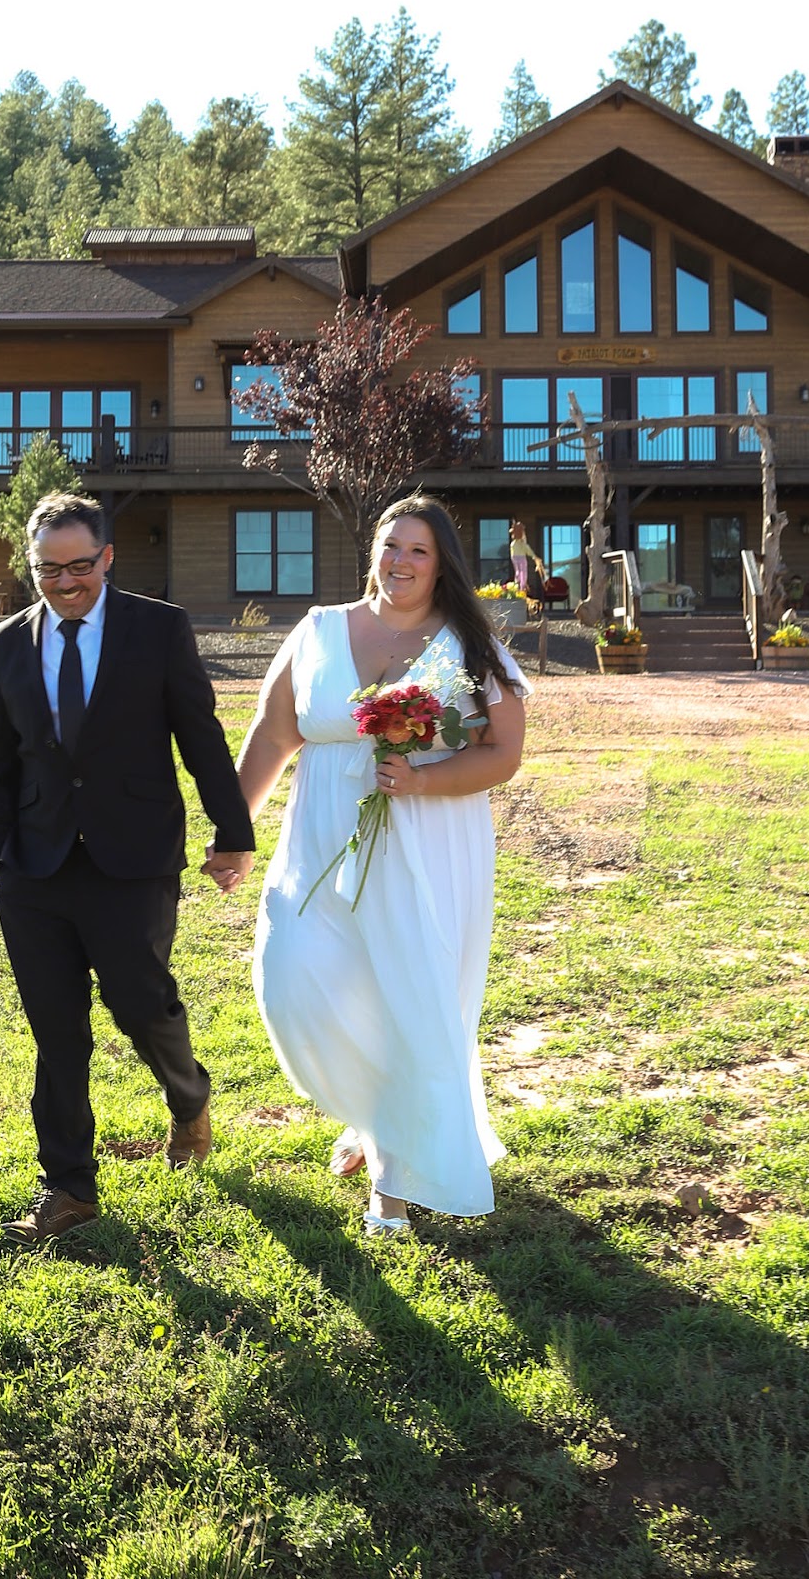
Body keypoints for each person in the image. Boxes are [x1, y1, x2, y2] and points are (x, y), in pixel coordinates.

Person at [228, 495, 528, 1236]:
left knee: (404, 998)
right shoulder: (320, 630)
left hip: (427, 841)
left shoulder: (468, 645)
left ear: (442, 564)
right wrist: (234, 831)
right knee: (293, 975)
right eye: (391, 545)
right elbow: (273, 734)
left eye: (418, 550)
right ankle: (370, 1112)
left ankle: (390, 1180)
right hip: (321, 840)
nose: (401, 561)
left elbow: (503, 753)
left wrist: (424, 779)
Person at [0, 490, 256, 1243]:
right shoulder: (4, 644)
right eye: (48, 570)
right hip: (35, 867)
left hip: (133, 858)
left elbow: (199, 734)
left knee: (140, 1003)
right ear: (30, 566)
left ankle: (188, 1097)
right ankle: (68, 1188)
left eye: (79, 567)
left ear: (106, 557)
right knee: (56, 1030)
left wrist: (232, 832)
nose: (65, 583)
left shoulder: (157, 629)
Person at [507, 519, 544, 597]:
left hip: (515, 557)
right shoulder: (520, 544)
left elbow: (526, 548)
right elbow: (528, 550)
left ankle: (519, 589)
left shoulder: (513, 544)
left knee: (518, 573)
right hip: (520, 558)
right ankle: (521, 589)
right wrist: (534, 557)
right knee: (522, 573)